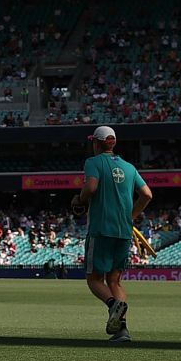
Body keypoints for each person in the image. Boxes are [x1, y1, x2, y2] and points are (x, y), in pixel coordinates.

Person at [72, 124, 151, 344]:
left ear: (96, 143)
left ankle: (112, 305)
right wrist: (131, 216)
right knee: (115, 281)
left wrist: (79, 200)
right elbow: (147, 194)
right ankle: (122, 330)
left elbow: (91, 188)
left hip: (101, 229)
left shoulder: (93, 162)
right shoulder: (129, 167)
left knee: (94, 279)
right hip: (124, 232)